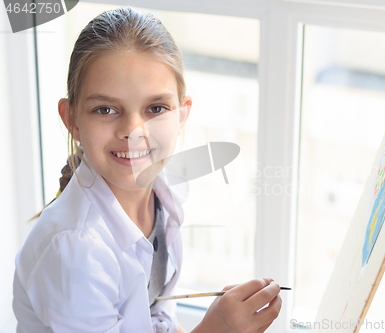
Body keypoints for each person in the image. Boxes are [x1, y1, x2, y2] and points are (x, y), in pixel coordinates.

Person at [12, 6, 282, 333]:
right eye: (106, 108)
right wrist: (215, 329)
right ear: (72, 120)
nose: (133, 129)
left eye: (155, 108)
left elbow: (155, 320)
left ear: (181, 116)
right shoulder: (76, 255)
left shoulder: (161, 195)